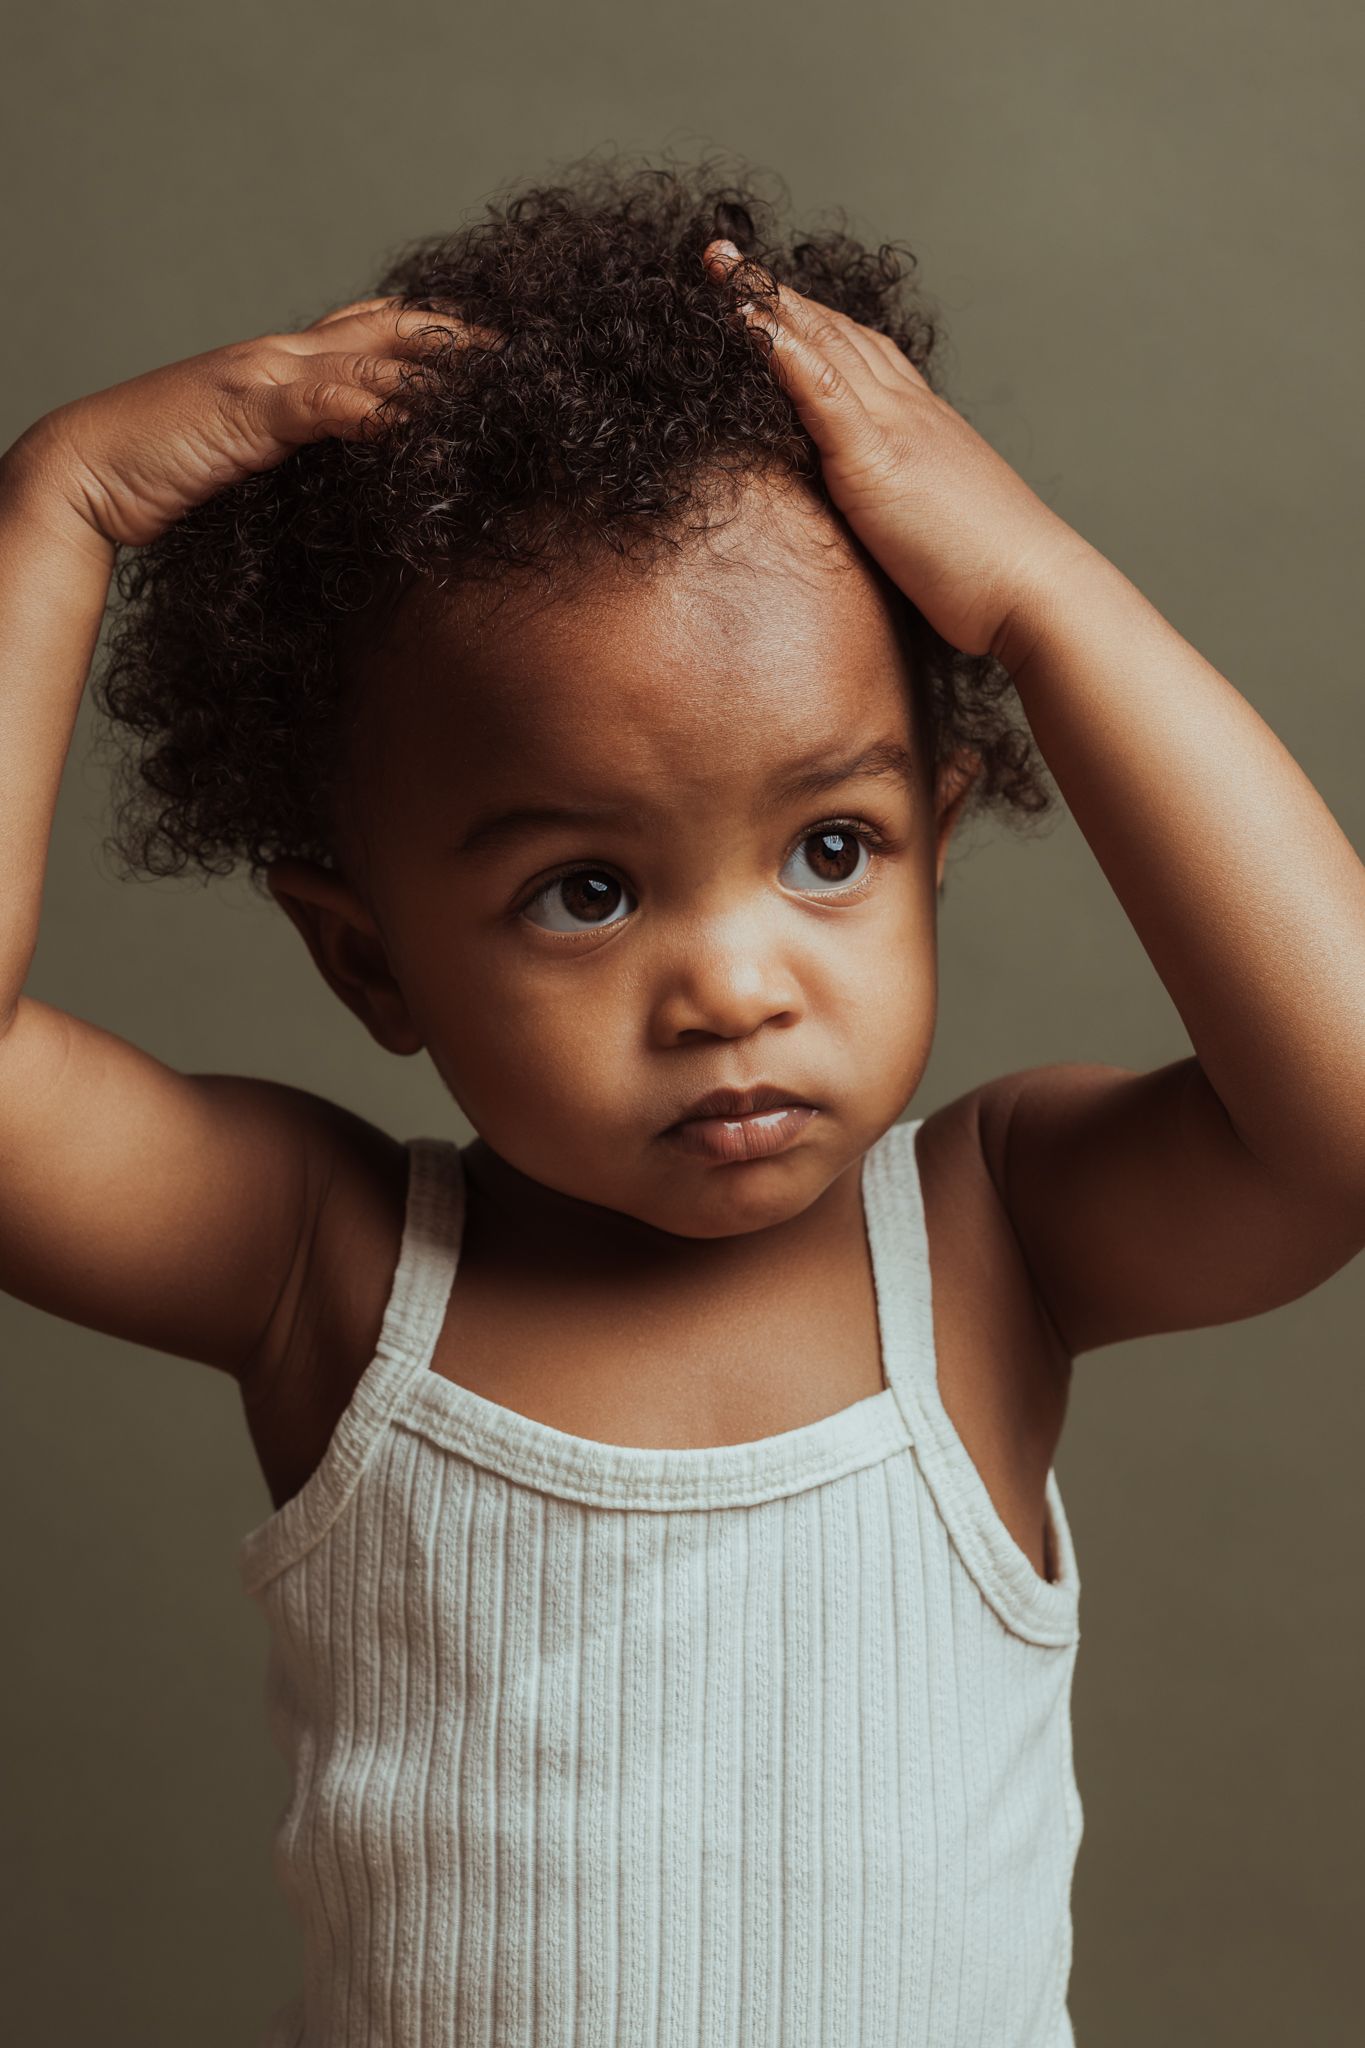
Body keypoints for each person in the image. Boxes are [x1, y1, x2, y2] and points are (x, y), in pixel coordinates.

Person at [2, 156, 1361, 2048]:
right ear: (367, 963)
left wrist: (1041, 597)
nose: (734, 985)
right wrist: (59, 502)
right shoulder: (328, 1270)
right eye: (586, 889)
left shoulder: (989, 1243)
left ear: (936, 844)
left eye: (828, 846)